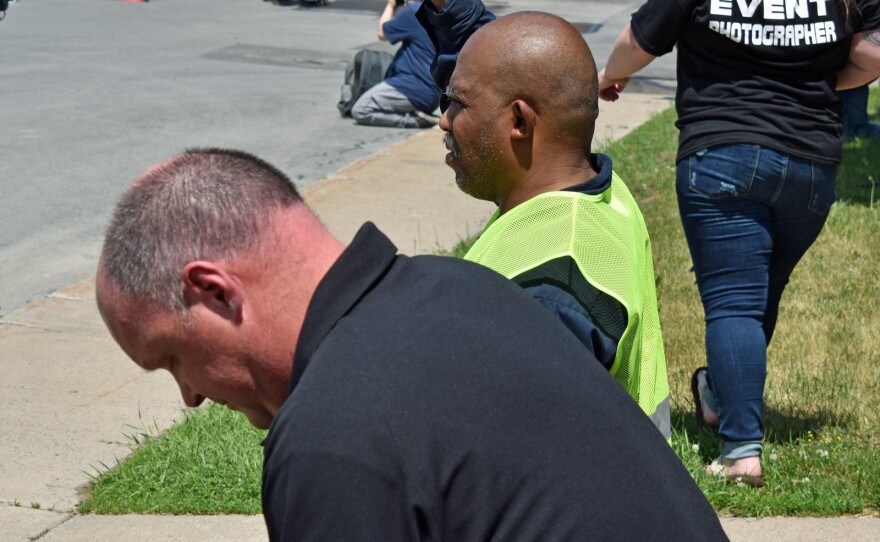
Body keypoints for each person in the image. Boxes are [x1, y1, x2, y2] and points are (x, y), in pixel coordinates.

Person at [96, 148, 729, 541]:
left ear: (214, 291)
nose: (189, 398)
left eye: (172, 360)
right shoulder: (461, 287)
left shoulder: (335, 434)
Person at [598, 0, 880, 486]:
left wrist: (609, 74)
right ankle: (720, 396)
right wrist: (807, 83)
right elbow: (872, 57)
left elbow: (638, 40)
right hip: (811, 165)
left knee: (735, 305)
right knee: (760, 292)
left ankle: (741, 452)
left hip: (723, 150)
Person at [419, 2, 672, 438]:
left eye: (456, 103)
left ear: (518, 120)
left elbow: (504, 454)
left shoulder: (554, 289)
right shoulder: (597, 189)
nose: (444, 118)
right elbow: (504, 67)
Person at [351, 0, 440, 128]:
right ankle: (416, 113)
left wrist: (391, 5)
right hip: (433, 94)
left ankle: (417, 121)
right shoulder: (440, 13)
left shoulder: (414, 12)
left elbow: (382, 33)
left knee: (361, 110)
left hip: (410, 86)